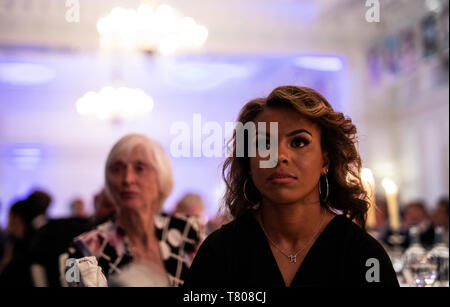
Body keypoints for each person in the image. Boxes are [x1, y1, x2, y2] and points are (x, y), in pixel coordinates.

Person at [184, 85, 399, 287]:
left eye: (298, 142)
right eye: (263, 144)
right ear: (249, 163)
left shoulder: (364, 255)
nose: (280, 156)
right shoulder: (219, 253)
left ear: (325, 161)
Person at [65, 134, 201, 286]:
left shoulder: (187, 231)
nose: (127, 179)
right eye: (117, 169)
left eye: (140, 168)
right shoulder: (83, 249)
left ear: (161, 178)